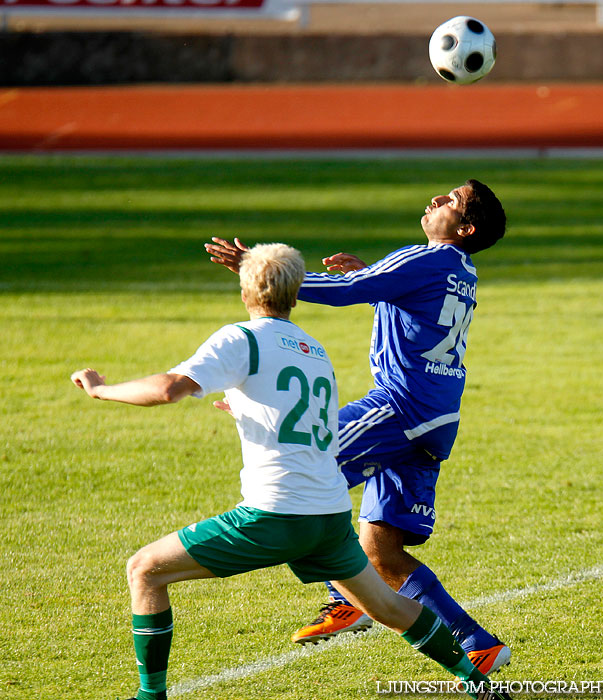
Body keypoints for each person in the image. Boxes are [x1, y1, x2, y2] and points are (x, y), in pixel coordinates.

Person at [71, 242, 511, 700]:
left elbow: (167, 389)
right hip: (329, 519)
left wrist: (101, 391)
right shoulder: (312, 349)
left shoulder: (240, 338)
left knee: (144, 570)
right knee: (387, 605)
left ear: (244, 290)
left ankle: (149, 697)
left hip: (276, 516)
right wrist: (245, 409)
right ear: (296, 296)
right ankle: (476, 681)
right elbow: (304, 420)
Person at [204, 179, 511, 677]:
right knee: (379, 550)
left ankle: (342, 598)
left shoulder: (425, 257)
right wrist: (373, 275)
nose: (435, 200)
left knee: (308, 473)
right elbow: (411, 308)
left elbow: (348, 292)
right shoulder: (459, 271)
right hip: (435, 419)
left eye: (450, 200)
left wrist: (264, 274)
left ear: (465, 227)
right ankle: (477, 643)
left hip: (398, 407)